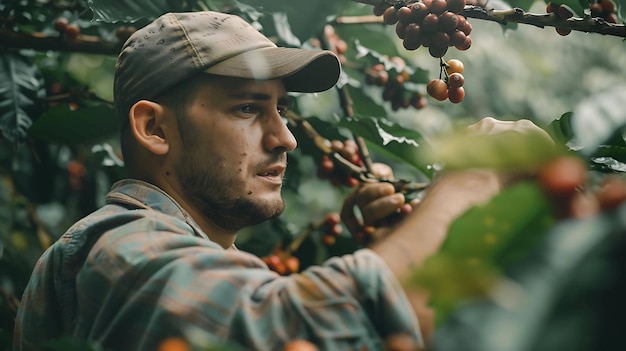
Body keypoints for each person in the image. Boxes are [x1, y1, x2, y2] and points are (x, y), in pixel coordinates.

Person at [13, 10, 514, 351]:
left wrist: (395, 245)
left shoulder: (186, 258)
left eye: (282, 109)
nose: (286, 138)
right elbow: (295, 333)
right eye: (248, 108)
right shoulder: (116, 249)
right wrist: (471, 182)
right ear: (154, 129)